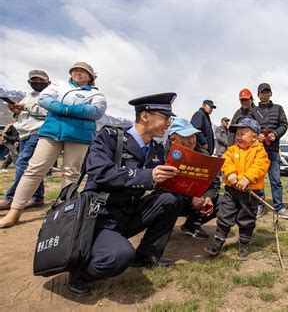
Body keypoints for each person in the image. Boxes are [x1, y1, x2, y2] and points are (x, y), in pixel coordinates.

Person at [67, 93, 182, 297]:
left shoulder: (156, 149)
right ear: (145, 116)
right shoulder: (110, 137)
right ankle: (81, 273)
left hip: (128, 213)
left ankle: (146, 256)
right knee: (118, 257)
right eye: (166, 118)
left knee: (170, 200)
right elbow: (100, 172)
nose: (168, 124)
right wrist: (148, 175)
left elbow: (160, 184)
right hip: (100, 217)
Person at [0, 62, 107, 228]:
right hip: (51, 132)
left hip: (79, 136)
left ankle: (66, 211)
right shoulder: (58, 85)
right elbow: (44, 100)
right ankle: (15, 211)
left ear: (91, 77)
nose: (78, 72)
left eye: (83, 71)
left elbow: (95, 112)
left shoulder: (96, 94)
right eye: (75, 70)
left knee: (70, 173)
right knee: (34, 170)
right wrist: (75, 110)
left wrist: (63, 110)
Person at [205, 118, 270, 260]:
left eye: (242, 134)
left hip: (250, 193)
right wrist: (231, 173)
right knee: (224, 215)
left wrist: (247, 178)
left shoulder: (260, 151)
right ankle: (218, 240)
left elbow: (260, 166)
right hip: (231, 191)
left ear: (254, 137)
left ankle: (244, 243)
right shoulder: (232, 150)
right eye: (237, 134)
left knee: (247, 219)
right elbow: (226, 162)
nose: (238, 137)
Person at [0, 70, 50, 211]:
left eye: (41, 80)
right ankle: (37, 197)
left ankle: (11, 199)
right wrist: (15, 109)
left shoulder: (49, 95)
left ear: (48, 81)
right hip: (24, 134)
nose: (38, 83)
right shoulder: (29, 96)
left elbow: (48, 113)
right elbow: (22, 112)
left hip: (37, 132)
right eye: (34, 80)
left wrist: (25, 107)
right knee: (32, 167)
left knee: (22, 164)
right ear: (29, 82)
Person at [166, 117, 220, 239]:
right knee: (167, 198)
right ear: (173, 139)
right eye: (185, 137)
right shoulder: (164, 155)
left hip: (199, 201)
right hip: (175, 200)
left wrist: (207, 197)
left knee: (222, 201)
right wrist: (191, 197)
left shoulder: (204, 155)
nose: (191, 141)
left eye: (193, 136)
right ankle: (162, 228)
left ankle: (192, 225)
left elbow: (214, 183)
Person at [251, 83, 288, 219]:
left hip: (273, 150)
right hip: (258, 150)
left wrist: (276, 133)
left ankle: (279, 207)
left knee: (276, 180)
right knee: (258, 180)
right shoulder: (253, 111)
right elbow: (249, 127)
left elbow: (284, 124)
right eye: (262, 92)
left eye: (267, 92)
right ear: (258, 95)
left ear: (271, 93)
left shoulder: (278, 108)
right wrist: (257, 135)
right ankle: (259, 205)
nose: (264, 94)